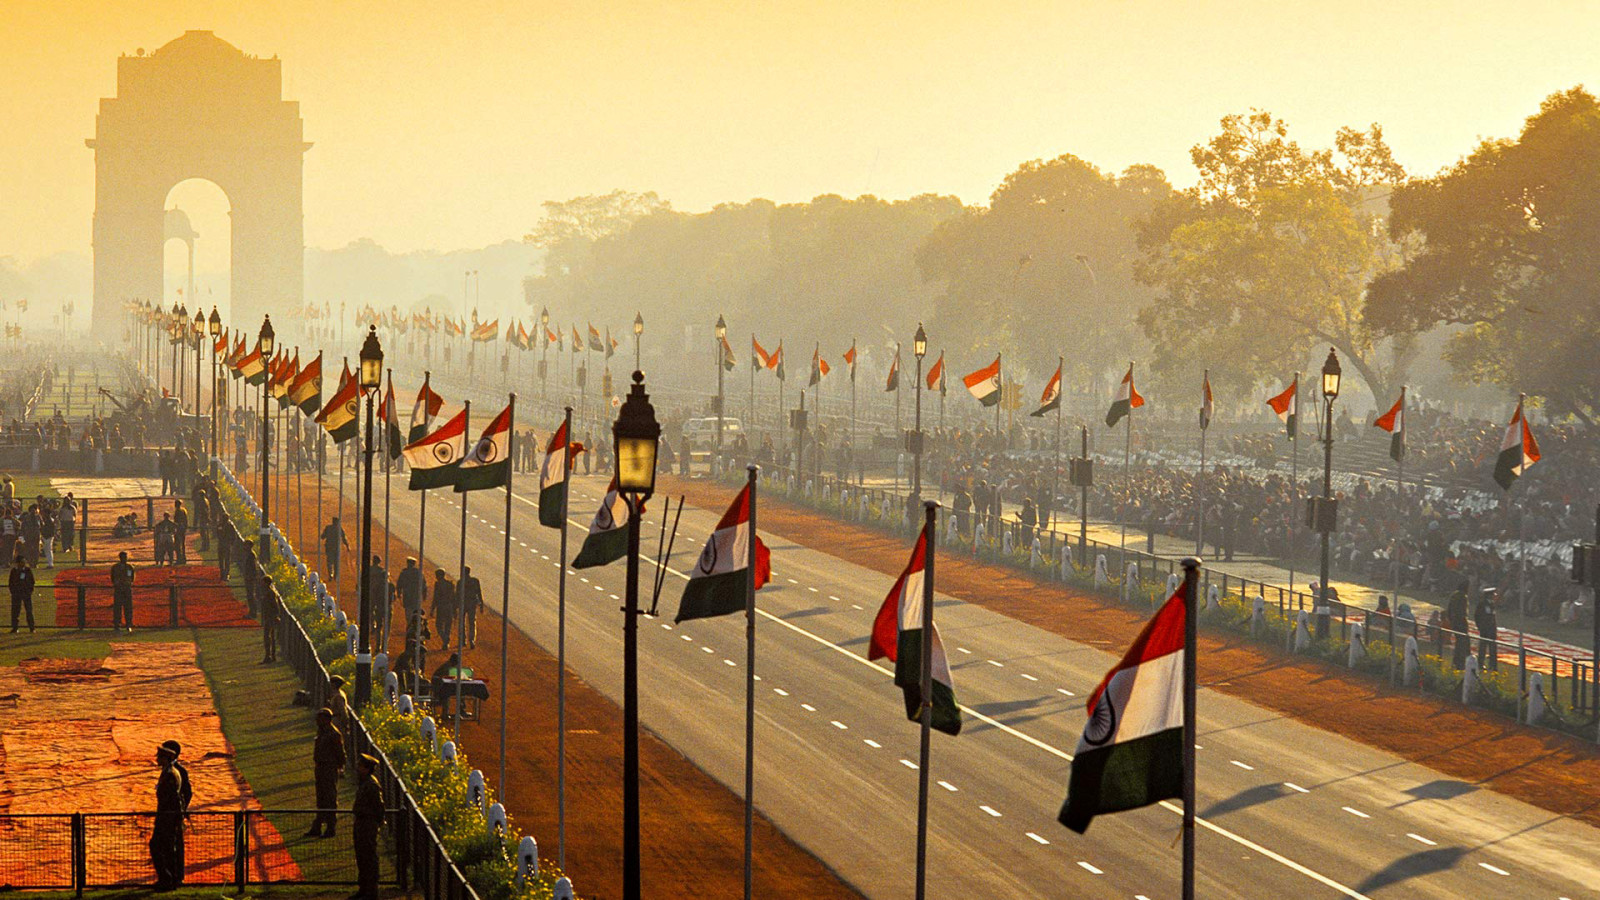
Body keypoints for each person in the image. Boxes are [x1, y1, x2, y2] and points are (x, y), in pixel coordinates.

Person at [150, 740, 184, 890]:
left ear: (166, 758)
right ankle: (168, 879)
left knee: (160, 847)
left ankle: (167, 879)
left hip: (167, 818)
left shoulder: (170, 774)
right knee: (166, 849)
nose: (157, 759)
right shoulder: (168, 772)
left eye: (160, 757)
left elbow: (170, 799)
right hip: (166, 817)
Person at [352, 753, 385, 900]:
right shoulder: (365, 782)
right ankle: (363, 888)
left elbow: (379, 807)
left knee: (369, 857)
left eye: (360, 766)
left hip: (368, 824)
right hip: (361, 823)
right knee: (361, 857)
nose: (357, 768)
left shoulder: (371, 785)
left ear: (366, 769)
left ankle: (371, 891)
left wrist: (376, 822)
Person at [308, 708, 343, 838]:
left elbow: (340, 753)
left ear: (327, 720)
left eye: (320, 718)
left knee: (330, 798)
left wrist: (339, 767)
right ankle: (317, 826)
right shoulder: (322, 732)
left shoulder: (334, 734)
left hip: (329, 768)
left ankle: (330, 827)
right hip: (321, 768)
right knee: (321, 797)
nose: (317, 721)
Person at [163, 739, 193, 884]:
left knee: (173, 846)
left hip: (173, 815)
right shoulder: (170, 769)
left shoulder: (178, 771)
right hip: (171, 814)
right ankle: (172, 875)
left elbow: (187, 792)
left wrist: (181, 810)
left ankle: (174, 876)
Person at [397, 556, 424, 641]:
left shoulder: (404, 572)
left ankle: (410, 630)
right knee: (415, 614)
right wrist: (424, 594)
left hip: (408, 597)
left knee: (409, 615)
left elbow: (399, 584)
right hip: (416, 597)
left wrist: (399, 593)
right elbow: (424, 584)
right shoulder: (418, 573)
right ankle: (415, 630)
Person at [367, 554, 390, 648]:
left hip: (371, 593)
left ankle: (373, 625)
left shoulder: (369, 569)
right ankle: (383, 643)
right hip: (384, 604)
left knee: (370, 610)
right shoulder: (382, 571)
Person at [1475, 588, 1500, 671]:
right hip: (1485, 630)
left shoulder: (1492, 604)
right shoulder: (1482, 604)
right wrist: (1480, 627)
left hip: (1492, 630)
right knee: (1482, 647)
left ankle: (1493, 666)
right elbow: (1477, 616)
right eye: (1493, 594)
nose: (1494, 596)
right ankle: (1480, 664)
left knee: (1493, 648)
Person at [1447, 583, 1471, 669]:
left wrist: (1451, 620)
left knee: (1459, 642)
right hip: (1461, 622)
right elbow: (1462, 612)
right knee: (1462, 643)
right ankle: (1460, 663)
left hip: (1454, 621)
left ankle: (1456, 662)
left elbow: (1449, 609)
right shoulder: (1463, 597)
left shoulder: (1454, 595)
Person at [8, 555, 35, 633]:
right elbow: (11, 582)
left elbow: (32, 581)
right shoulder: (14, 571)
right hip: (16, 594)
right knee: (15, 611)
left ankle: (32, 627)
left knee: (29, 611)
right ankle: (15, 627)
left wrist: (29, 591)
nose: (23, 564)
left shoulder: (27, 570)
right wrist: (13, 591)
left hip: (26, 593)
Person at [431, 568, 457, 650]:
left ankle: (445, 639)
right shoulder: (450, 584)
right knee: (448, 625)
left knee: (439, 625)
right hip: (449, 606)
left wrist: (432, 609)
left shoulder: (438, 584)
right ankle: (446, 642)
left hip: (441, 607)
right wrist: (454, 609)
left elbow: (435, 597)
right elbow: (454, 597)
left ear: (439, 576)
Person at [111, 551, 136, 633]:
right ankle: (117, 625)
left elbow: (132, 578)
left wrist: (127, 583)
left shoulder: (129, 567)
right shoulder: (115, 567)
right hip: (118, 590)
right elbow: (113, 577)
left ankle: (128, 624)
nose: (125, 559)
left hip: (126, 589)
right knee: (117, 608)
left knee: (128, 608)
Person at [460, 564, 483, 650]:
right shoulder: (475, 581)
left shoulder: (460, 582)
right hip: (472, 604)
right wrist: (481, 604)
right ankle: (472, 640)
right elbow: (479, 593)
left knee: (462, 623)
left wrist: (455, 606)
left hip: (463, 604)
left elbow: (457, 595)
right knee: (472, 623)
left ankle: (463, 640)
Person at [261, 573, 279, 663]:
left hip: (270, 617)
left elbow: (275, 606)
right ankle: (270, 655)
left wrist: (276, 615)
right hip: (268, 616)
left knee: (269, 637)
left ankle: (270, 656)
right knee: (269, 637)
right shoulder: (268, 592)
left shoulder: (270, 593)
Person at [172, 499, 189, 564]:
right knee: (182, 544)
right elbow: (186, 520)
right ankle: (183, 558)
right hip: (183, 528)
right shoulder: (183, 510)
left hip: (179, 528)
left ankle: (179, 558)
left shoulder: (178, 511)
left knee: (178, 544)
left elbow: (176, 521)